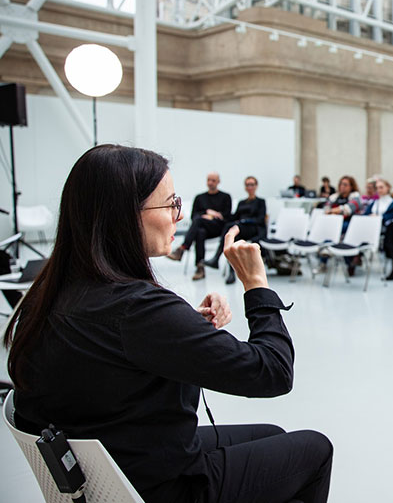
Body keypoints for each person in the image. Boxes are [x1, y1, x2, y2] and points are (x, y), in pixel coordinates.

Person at [3, 145, 332, 503]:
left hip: (110, 466)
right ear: (124, 215)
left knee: (271, 433)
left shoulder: (49, 293)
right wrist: (256, 285)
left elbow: (116, 349)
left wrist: (186, 326)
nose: (179, 215)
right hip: (161, 484)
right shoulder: (138, 309)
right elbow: (274, 372)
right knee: (315, 450)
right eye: (171, 203)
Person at [167, 172, 232, 281]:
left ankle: (182, 248)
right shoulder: (199, 198)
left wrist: (212, 216)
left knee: (199, 221)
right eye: (209, 180)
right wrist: (206, 213)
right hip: (203, 228)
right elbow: (193, 216)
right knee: (200, 232)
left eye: (213, 180)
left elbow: (226, 217)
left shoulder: (225, 197)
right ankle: (200, 267)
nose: (210, 183)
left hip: (218, 228)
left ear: (218, 182)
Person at [205, 176, 267, 284]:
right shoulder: (241, 202)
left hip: (253, 228)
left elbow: (260, 219)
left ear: (256, 186)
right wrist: (219, 215)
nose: (249, 187)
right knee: (232, 238)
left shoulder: (260, 202)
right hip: (240, 229)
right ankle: (231, 273)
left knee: (232, 228)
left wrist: (244, 221)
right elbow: (234, 217)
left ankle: (216, 257)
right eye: (247, 185)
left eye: (252, 184)